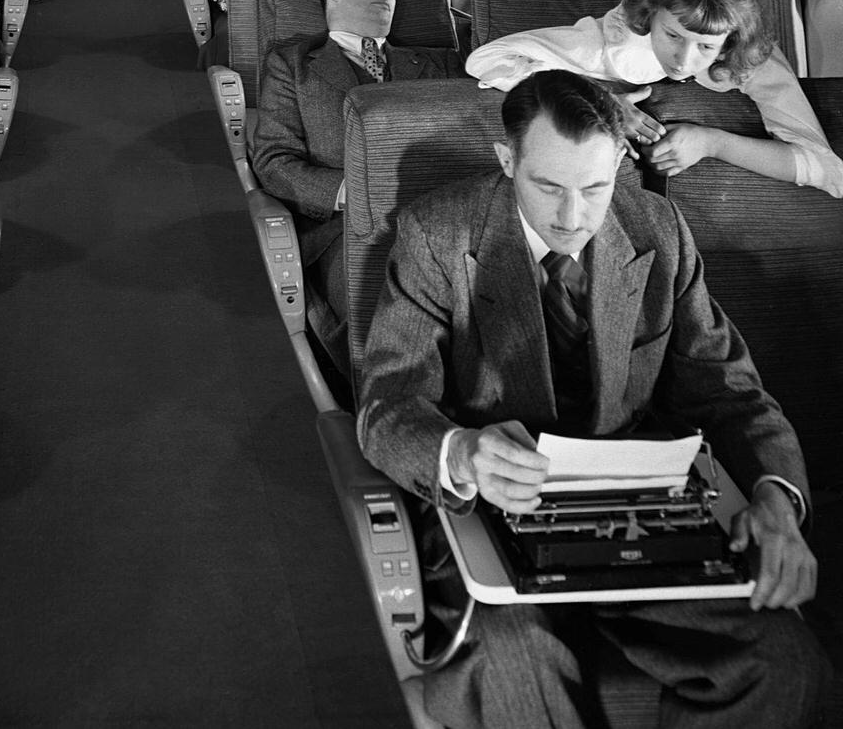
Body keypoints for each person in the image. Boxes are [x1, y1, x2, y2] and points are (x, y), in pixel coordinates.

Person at [354, 69, 829, 729]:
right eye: (547, 187)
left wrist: (777, 499)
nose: (572, 218)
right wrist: (461, 452)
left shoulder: (658, 228)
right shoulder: (437, 236)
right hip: (494, 512)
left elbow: (728, 390)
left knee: (785, 662)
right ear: (507, 159)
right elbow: (388, 407)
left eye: (595, 189)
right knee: (520, 662)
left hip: (638, 510)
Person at [465, 0, 843, 196]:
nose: (683, 59)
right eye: (673, 36)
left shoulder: (752, 58)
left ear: (729, 43)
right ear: (650, 15)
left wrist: (712, 142)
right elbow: (485, 58)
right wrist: (597, 97)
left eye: (705, 47)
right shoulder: (611, 42)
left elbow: (825, 168)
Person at [252, 0, 462, 346]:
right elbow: (274, 162)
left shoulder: (437, 64)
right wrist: (353, 192)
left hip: (435, 219)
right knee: (392, 316)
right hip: (345, 227)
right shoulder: (292, 64)